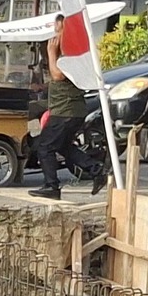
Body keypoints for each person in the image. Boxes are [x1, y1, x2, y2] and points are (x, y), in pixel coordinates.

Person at [32, 24, 107, 200]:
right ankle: (96, 170)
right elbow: (61, 82)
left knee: (44, 147)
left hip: (66, 110)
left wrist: (51, 52)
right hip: (68, 109)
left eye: (59, 30)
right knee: (63, 146)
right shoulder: (68, 54)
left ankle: (52, 186)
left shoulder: (72, 54)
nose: (55, 36)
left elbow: (58, 75)